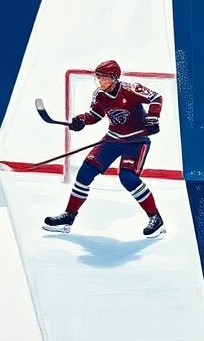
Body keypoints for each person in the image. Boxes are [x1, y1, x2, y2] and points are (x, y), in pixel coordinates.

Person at [43, 60, 166, 238]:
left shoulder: (131, 89)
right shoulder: (99, 95)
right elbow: (95, 115)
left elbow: (156, 97)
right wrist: (81, 120)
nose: (101, 82)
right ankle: (68, 217)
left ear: (115, 78)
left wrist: (153, 118)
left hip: (136, 141)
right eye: (99, 78)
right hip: (113, 140)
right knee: (84, 174)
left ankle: (156, 219)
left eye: (105, 78)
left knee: (127, 178)